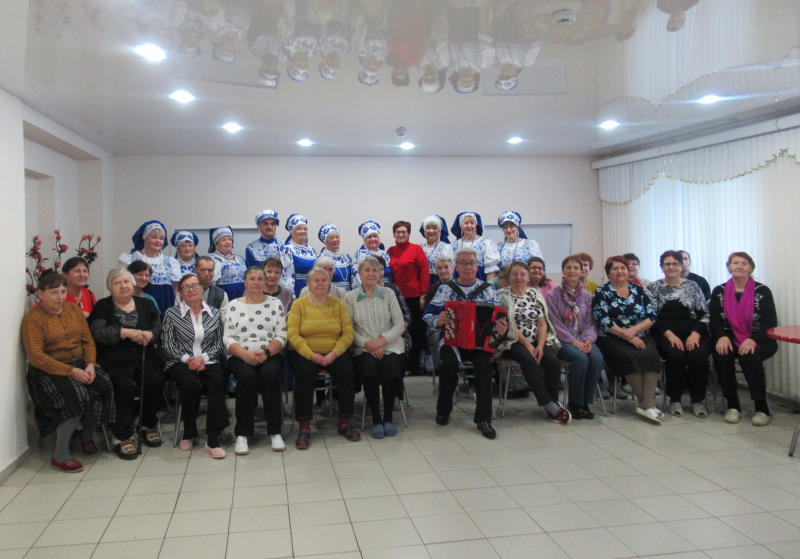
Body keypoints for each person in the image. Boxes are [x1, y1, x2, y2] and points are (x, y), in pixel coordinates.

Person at [21, 271, 115, 472]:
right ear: (40, 293)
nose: (60, 297)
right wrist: (71, 371)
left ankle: (87, 436)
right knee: (77, 395)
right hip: (48, 370)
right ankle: (60, 455)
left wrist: (90, 364)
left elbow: (87, 340)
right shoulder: (33, 319)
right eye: (54, 293)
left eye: (63, 292)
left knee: (103, 385)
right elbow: (36, 356)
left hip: (81, 364)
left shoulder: (73, 310)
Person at [423, 248, 508, 439]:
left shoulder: (487, 289)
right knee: (448, 365)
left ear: (477, 266)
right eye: (463, 263)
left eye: (471, 263)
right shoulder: (446, 289)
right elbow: (427, 314)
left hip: (479, 343)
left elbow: (500, 317)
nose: (468, 267)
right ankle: (443, 410)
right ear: (457, 267)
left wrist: (502, 328)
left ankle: (483, 418)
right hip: (451, 340)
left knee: (484, 367)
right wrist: (438, 320)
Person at [88, 267, 163, 459]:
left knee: (154, 379)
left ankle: (147, 424)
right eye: (117, 283)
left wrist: (150, 335)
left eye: (126, 282)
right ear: (110, 287)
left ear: (133, 284)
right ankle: (122, 435)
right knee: (123, 386)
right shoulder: (102, 306)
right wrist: (124, 332)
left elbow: (158, 327)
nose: (123, 286)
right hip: (114, 358)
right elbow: (98, 333)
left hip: (143, 354)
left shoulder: (146, 304)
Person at [287, 267, 359, 449]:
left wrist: (334, 353)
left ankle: (345, 421)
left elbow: (348, 333)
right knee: (303, 375)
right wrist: (312, 356)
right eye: (316, 280)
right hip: (306, 352)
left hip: (334, 351)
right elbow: (293, 334)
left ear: (329, 283)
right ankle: (304, 426)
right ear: (308, 284)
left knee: (347, 372)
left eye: (324, 280)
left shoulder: (338, 304)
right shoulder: (299, 305)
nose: (320, 283)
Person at [162, 273, 228, 458]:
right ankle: (189, 431)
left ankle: (213, 439)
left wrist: (203, 358)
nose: (191, 290)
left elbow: (218, 343)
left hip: (208, 359)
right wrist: (188, 360)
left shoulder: (214, 313)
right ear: (180, 292)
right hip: (180, 361)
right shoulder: (171, 314)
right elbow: (168, 343)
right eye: (186, 287)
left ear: (202, 288)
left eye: (195, 285)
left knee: (217, 382)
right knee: (190, 385)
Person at [223, 267, 287, 454]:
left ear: (265, 282)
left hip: (270, 353)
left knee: (270, 375)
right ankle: (242, 434)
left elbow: (282, 335)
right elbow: (228, 337)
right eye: (252, 279)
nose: (256, 282)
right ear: (245, 282)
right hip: (240, 354)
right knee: (247, 376)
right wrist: (245, 355)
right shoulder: (233, 305)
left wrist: (266, 353)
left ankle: (275, 432)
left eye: (260, 279)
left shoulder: (275, 304)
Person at [709, 252, 778, 426]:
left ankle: (762, 408)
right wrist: (721, 336)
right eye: (735, 263)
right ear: (729, 267)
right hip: (729, 338)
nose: (739, 266)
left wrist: (753, 339)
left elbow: (770, 322)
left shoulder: (762, 291)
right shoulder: (719, 291)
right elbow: (714, 320)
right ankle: (732, 405)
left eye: (744, 263)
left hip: (760, 340)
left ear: (751, 268)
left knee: (749, 356)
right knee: (721, 355)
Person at [498, 261, 571, 423]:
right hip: (513, 340)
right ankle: (548, 404)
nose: (518, 277)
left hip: (538, 338)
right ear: (509, 277)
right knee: (529, 360)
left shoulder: (535, 294)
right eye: (515, 274)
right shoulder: (502, 295)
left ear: (528, 277)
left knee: (552, 361)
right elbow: (509, 325)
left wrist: (540, 345)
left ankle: (553, 401)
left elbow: (542, 323)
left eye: (522, 274)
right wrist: (527, 344)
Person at [593, 256, 662, 424]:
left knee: (652, 356)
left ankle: (646, 404)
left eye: (622, 268)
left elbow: (652, 315)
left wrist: (633, 331)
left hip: (640, 333)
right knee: (630, 356)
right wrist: (626, 335)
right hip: (612, 336)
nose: (620, 271)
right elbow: (602, 318)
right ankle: (647, 405)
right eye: (615, 268)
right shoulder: (602, 292)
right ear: (608, 273)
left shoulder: (639, 290)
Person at [344, 256, 406, 439]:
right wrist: (367, 344)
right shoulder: (350, 297)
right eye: (367, 270)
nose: (371, 274)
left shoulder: (389, 294)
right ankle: (377, 419)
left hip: (390, 345)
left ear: (380, 273)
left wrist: (381, 342)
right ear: (360, 274)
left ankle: (388, 418)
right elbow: (348, 328)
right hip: (364, 346)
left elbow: (399, 323)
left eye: (375, 270)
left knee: (391, 373)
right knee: (369, 373)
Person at [646, 251, 711, 418]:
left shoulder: (692, 286)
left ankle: (698, 400)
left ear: (681, 266)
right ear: (661, 267)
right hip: (664, 332)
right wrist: (669, 335)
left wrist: (696, 334)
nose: (671, 267)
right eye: (667, 264)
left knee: (698, 356)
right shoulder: (654, 287)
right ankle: (675, 399)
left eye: (675, 264)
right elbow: (651, 316)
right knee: (676, 357)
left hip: (693, 331)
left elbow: (704, 313)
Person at [546, 256, 604, 419]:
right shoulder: (552, 295)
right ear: (563, 271)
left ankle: (585, 402)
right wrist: (573, 341)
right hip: (562, 340)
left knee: (597, 358)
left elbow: (590, 322)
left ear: (581, 272)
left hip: (583, 338)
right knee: (581, 359)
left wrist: (588, 339)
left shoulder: (587, 296)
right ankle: (575, 403)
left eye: (576, 268)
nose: (572, 271)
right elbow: (555, 324)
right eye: (568, 267)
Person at [388, 220, 430, 376]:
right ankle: (399, 364)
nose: (401, 234)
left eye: (404, 232)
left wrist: (423, 294)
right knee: (398, 331)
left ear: (408, 234)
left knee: (414, 331)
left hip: (414, 297)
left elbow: (424, 272)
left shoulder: (416, 249)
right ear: (394, 234)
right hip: (396, 298)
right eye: (398, 232)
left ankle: (413, 366)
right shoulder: (390, 251)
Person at [118, 220, 180, 313]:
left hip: (166, 304)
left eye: (161, 238)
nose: (158, 241)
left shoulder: (171, 262)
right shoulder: (132, 258)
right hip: (140, 304)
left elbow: (175, 288)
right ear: (145, 238)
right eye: (154, 237)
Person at [424, 256, 454, 374]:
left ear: (453, 268)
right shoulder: (433, 289)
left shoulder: (460, 286)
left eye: (446, 267)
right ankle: (442, 369)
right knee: (437, 337)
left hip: (457, 325)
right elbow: (427, 314)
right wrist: (438, 320)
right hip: (438, 325)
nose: (443, 270)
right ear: (436, 271)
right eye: (439, 268)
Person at [451, 211, 500, 281]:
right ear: (461, 225)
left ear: (476, 225)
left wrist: (488, 286)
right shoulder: (455, 244)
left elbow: (491, 271)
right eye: (466, 223)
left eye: (472, 223)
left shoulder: (486, 243)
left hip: (480, 282)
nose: (469, 226)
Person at [245, 210, 290, 286]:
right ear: (259, 227)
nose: (269, 227)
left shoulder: (285, 246)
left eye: (272, 224)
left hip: (282, 289)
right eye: (265, 224)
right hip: (260, 289)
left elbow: (289, 271)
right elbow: (252, 275)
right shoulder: (251, 249)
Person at [282, 213, 318, 298]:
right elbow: (286, 278)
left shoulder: (311, 250)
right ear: (292, 232)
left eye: (305, 229)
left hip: (314, 292)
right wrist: (291, 298)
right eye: (299, 229)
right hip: (297, 293)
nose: (303, 231)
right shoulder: (287, 249)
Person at [209, 226, 247, 300]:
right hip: (224, 297)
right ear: (216, 243)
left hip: (243, 297)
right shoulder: (214, 259)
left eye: (230, 239)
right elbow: (212, 281)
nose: (227, 242)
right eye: (223, 240)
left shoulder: (240, 259)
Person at [352, 220, 391, 288]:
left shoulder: (385, 254)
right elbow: (357, 277)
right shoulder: (359, 255)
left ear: (378, 238)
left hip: (386, 290)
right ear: (364, 240)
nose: (372, 239)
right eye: (369, 237)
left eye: (375, 236)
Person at [419, 214, 454, 287]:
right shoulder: (419, 248)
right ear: (424, 230)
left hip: (441, 285)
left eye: (434, 228)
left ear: (439, 230)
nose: (431, 231)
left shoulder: (446, 248)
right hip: (421, 285)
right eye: (428, 228)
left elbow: (451, 271)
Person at [318, 223, 353, 291]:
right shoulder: (322, 259)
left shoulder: (346, 257)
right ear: (325, 241)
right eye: (331, 238)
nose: (335, 240)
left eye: (337, 237)